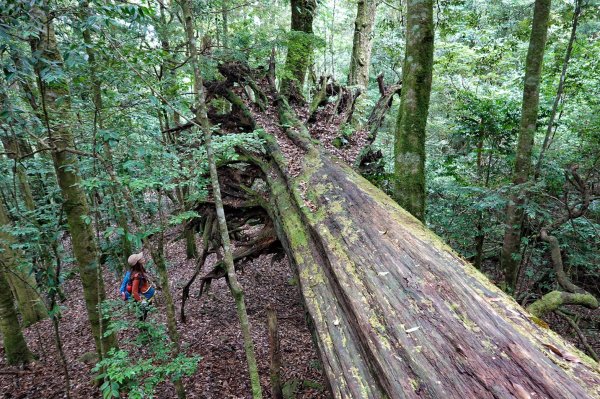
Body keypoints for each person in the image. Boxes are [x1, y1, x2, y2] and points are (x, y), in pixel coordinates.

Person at [123, 252, 156, 320]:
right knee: (142, 317)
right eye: (140, 259)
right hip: (144, 300)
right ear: (137, 263)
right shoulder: (136, 276)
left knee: (144, 316)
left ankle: (143, 326)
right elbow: (134, 292)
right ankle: (143, 328)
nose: (143, 258)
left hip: (147, 297)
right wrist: (142, 302)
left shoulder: (139, 272)